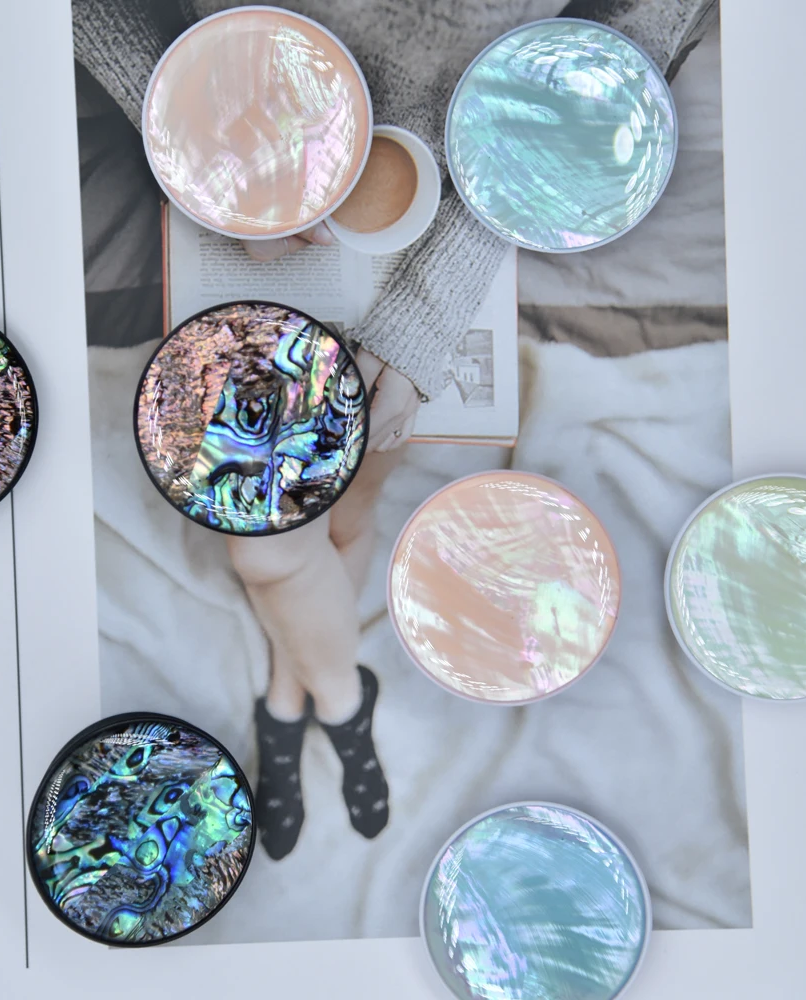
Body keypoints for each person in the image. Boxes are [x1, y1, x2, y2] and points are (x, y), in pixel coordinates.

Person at [73, 0, 718, 860]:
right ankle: (341, 699)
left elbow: (614, 59)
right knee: (269, 552)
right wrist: (194, 149)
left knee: (347, 509)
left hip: (435, 219)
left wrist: (425, 318)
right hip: (255, 174)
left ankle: (289, 695)